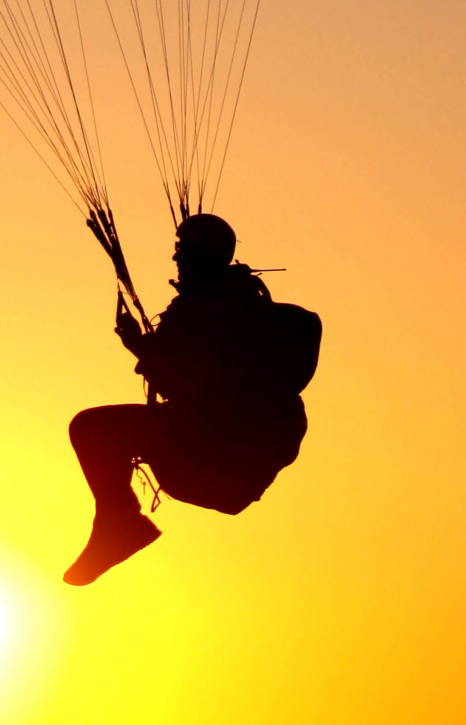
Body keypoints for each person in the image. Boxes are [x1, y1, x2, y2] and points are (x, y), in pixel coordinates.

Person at [63, 214, 311, 586]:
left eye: (184, 251)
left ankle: (121, 523)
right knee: (97, 430)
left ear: (203, 256)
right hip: (229, 467)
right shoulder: (238, 303)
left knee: (91, 429)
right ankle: (119, 523)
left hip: (213, 456)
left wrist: (140, 348)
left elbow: (199, 388)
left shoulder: (210, 311)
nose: (176, 258)